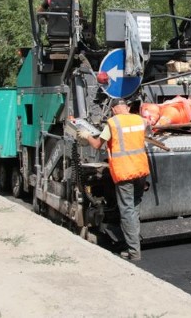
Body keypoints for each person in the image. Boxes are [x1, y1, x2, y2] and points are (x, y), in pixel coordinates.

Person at [80, 100, 150, 261]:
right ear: (126, 107)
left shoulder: (112, 123)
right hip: (141, 170)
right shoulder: (140, 120)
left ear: (113, 109)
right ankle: (133, 243)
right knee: (134, 208)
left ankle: (134, 251)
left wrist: (87, 136)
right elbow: (144, 133)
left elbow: (98, 145)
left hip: (125, 171)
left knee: (126, 211)